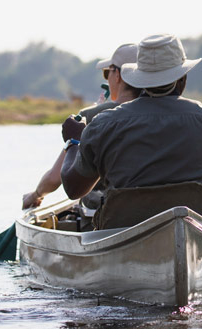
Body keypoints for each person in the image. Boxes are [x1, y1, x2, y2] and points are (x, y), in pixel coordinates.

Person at [60, 34, 202, 227]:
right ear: (182, 79)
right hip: (199, 229)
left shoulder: (102, 125)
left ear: (138, 79)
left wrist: (74, 142)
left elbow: (74, 189)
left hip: (120, 231)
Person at [22, 43, 141, 210]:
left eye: (107, 73)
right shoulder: (160, 113)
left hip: (104, 213)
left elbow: (55, 178)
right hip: (151, 209)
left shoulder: (90, 116)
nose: (106, 78)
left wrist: (35, 195)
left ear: (118, 75)